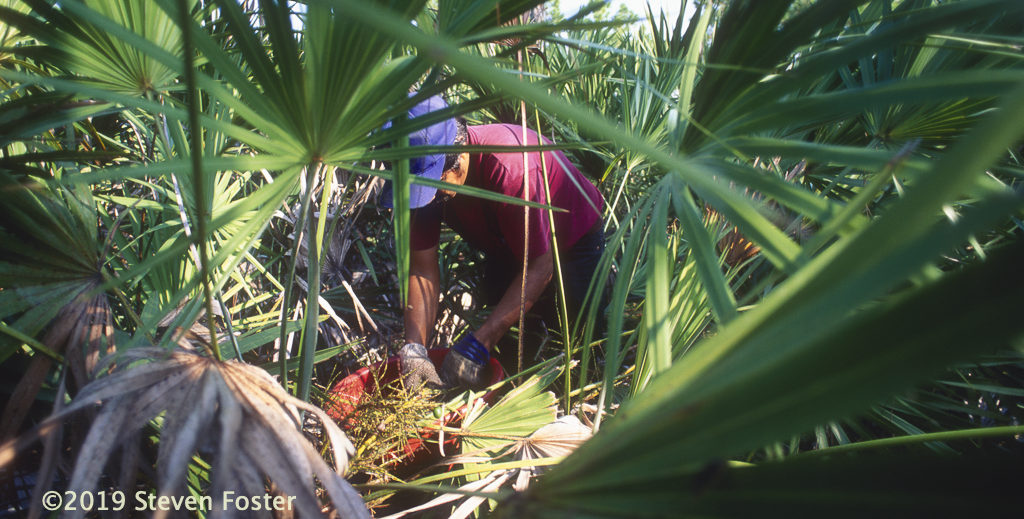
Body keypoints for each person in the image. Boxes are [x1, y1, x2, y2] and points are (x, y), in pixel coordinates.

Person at [381, 95, 605, 390]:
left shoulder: (513, 169)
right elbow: (422, 268)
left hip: (572, 243)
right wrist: (415, 349)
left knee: (578, 338)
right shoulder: (427, 175)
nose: (429, 198)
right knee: (510, 348)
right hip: (507, 245)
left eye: (434, 184)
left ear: (460, 152)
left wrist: (480, 341)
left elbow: (540, 266)